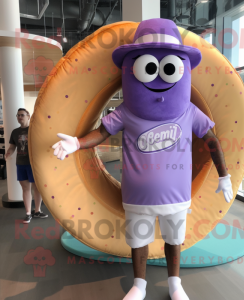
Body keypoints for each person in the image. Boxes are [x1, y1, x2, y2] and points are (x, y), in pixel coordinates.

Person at [52, 19, 233, 300]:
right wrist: (76, 142)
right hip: (137, 197)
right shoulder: (127, 112)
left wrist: (224, 175)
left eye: (169, 68)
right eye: (148, 67)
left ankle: (175, 283)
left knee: (174, 241)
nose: (159, 77)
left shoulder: (188, 111)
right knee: (139, 242)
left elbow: (211, 140)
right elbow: (100, 133)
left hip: (177, 196)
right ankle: (140, 285)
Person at [5, 108, 48, 223]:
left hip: (33, 164)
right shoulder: (15, 132)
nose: (20, 117)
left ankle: (37, 211)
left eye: (22, 115)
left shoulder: (34, 130)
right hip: (21, 164)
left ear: (28, 116)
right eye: (18, 115)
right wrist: (9, 152)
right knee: (25, 189)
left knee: (37, 188)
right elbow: (13, 146)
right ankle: (28, 213)